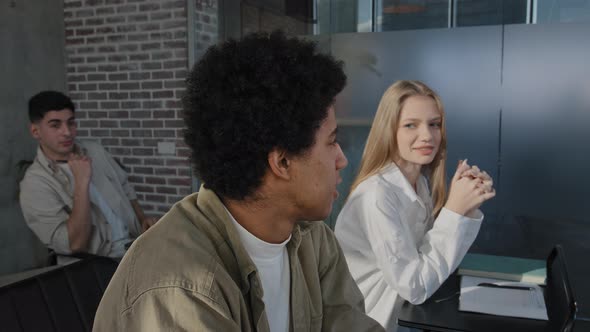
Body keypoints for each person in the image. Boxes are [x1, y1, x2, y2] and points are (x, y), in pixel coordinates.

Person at [93, 31, 383, 332]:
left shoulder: (312, 239)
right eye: (332, 142)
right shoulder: (181, 286)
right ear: (282, 162)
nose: (342, 159)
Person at [334, 80, 495, 331]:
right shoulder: (377, 196)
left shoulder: (419, 183)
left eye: (434, 124)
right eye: (411, 125)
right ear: (389, 130)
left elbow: (430, 262)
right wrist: (454, 212)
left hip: (406, 318)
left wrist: (467, 208)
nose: (427, 136)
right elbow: (415, 287)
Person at [20, 91, 157, 263]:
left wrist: (142, 220)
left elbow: (126, 189)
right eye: (55, 125)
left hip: (137, 248)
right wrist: (81, 182)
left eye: (71, 123)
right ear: (35, 131)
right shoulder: (34, 184)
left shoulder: (95, 151)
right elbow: (75, 244)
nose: (67, 132)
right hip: (95, 268)